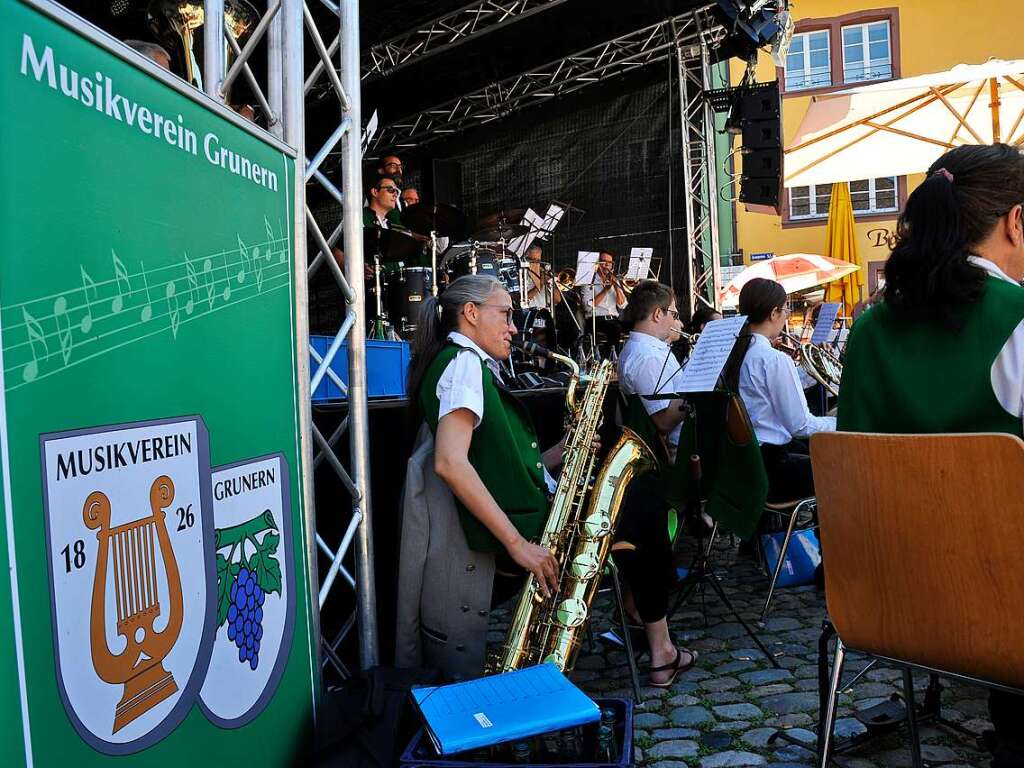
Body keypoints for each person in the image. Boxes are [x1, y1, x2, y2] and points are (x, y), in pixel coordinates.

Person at [836, 143, 1024, 768]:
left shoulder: (864, 333)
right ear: (1016, 222)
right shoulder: (1017, 319)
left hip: (888, 604)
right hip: (1003, 613)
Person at [406, 275, 565, 606]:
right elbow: (450, 462)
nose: (514, 328)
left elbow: (491, 458)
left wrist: (564, 452)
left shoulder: (461, 362)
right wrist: (517, 544)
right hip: (506, 538)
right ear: (471, 313)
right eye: (506, 314)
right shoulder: (464, 363)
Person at [616, 281, 699, 686]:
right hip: (657, 469)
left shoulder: (648, 350)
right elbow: (663, 420)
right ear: (656, 315)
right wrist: (696, 394)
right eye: (674, 313)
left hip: (657, 463)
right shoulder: (647, 355)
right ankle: (657, 639)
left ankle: (638, 605)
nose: (678, 321)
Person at [736, 278, 835, 501]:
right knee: (839, 468)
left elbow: (771, 388)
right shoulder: (773, 359)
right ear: (773, 313)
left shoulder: (737, 353)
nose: (786, 315)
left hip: (748, 461)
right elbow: (801, 425)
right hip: (771, 467)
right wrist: (843, 421)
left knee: (811, 452)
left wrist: (813, 369)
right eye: (785, 309)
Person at [581, 250, 627, 356]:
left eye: (609, 262)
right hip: (596, 319)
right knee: (614, 328)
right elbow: (587, 307)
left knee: (635, 326)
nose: (606, 265)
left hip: (614, 319)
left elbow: (622, 304)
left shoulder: (614, 280)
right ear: (597, 264)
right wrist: (605, 290)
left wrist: (616, 286)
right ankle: (609, 361)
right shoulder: (588, 281)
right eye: (603, 261)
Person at [524, 244, 561, 310]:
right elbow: (523, 299)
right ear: (525, 259)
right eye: (533, 260)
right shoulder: (522, 274)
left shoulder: (545, 273)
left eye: (538, 260)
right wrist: (540, 284)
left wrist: (551, 283)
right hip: (531, 314)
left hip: (546, 313)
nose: (536, 263)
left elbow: (557, 300)